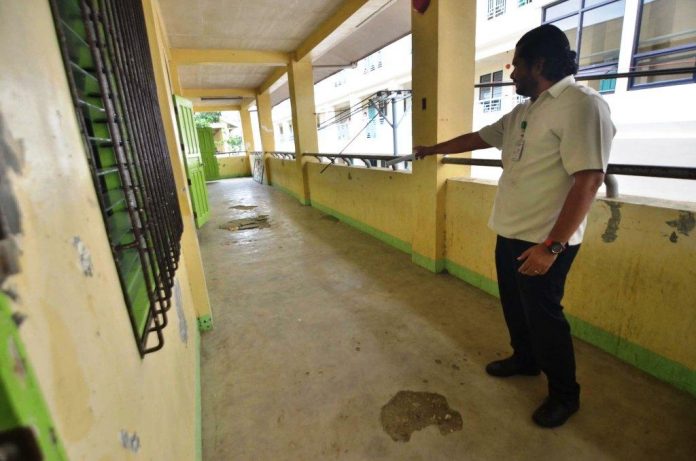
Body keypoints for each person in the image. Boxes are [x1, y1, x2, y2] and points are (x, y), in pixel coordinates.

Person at [414, 24, 616, 428]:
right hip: (509, 231)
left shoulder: (582, 105)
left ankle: (564, 394)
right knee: (514, 305)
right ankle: (525, 359)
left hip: (545, 241)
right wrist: (431, 149)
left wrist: (552, 247)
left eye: (516, 65)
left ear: (538, 63)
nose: (510, 74)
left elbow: (589, 181)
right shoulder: (527, 109)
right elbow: (480, 137)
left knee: (545, 316)